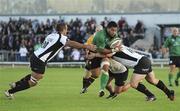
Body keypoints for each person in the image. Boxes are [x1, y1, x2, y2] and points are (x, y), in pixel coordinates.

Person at [4, 23, 96, 99]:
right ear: (63, 30)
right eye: (66, 29)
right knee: (33, 82)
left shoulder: (51, 35)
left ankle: (15, 84)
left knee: (36, 77)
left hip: (36, 56)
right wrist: (86, 46)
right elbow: (71, 43)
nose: (67, 31)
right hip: (40, 59)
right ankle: (10, 92)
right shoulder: (61, 37)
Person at [88, 45, 175, 101]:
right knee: (152, 80)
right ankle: (169, 93)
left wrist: (95, 55)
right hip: (144, 60)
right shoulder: (119, 45)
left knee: (133, 83)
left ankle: (151, 96)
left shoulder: (113, 48)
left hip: (140, 63)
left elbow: (108, 55)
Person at [80, 21, 122, 97]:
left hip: (102, 55)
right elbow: (88, 47)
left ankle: (102, 90)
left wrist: (114, 50)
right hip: (94, 55)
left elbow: (113, 47)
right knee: (95, 75)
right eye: (97, 31)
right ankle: (84, 87)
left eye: (115, 30)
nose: (114, 32)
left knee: (105, 67)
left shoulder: (114, 36)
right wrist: (88, 54)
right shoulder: (96, 37)